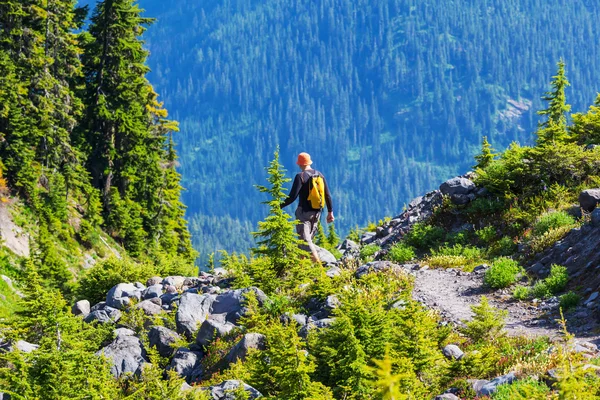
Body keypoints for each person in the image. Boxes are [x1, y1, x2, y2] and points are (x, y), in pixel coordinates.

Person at [281, 152, 334, 263]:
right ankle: (302, 271)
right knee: (304, 242)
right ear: (309, 162)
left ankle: (320, 271)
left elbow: (292, 197)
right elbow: (327, 195)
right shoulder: (319, 175)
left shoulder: (300, 176)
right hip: (317, 213)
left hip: (303, 214)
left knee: (305, 242)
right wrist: (330, 212)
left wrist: (279, 205)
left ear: (299, 164)